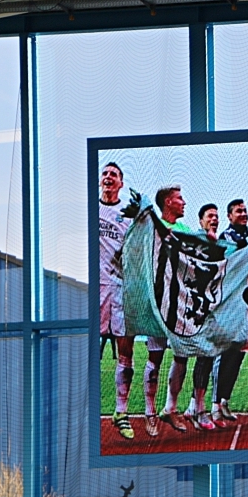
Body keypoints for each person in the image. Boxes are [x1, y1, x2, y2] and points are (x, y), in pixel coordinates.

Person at [144, 185, 194, 436]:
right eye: (179, 199)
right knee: (155, 356)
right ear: (167, 202)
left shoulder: (186, 231)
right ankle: (150, 411)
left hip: (181, 304)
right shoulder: (154, 228)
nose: (184, 202)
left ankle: (170, 408)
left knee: (181, 355)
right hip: (157, 301)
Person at [98, 162, 140, 439]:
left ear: (121, 184)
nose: (108, 177)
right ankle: (85, 412)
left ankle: (121, 412)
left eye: (114, 175)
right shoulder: (93, 210)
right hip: (97, 292)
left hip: (121, 290)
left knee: (126, 355)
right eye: (105, 173)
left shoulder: (127, 218)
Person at [182, 203, 223, 431]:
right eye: (210, 216)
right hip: (192, 310)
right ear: (201, 221)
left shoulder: (219, 246)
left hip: (210, 310)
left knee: (205, 357)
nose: (214, 219)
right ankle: (196, 408)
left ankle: (194, 406)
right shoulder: (194, 241)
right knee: (194, 357)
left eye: (216, 217)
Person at [211, 198, 248, 426]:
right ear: (230, 215)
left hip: (244, 306)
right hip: (227, 306)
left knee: (237, 356)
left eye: (245, 211)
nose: (243, 214)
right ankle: (215, 404)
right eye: (238, 211)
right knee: (223, 356)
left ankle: (225, 400)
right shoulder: (225, 239)